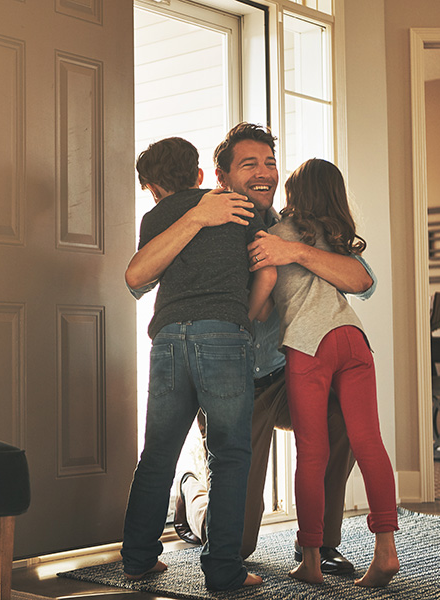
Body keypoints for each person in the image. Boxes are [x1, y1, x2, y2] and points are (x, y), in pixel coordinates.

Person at [127, 123, 376, 574]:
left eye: (269, 163)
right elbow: (138, 282)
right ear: (219, 178)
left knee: (341, 416)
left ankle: (317, 543)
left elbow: (363, 281)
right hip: (236, 377)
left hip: (285, 375)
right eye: (249, 164)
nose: (264, 173)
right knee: (236, 537)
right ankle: (192, 493)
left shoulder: (294, 226)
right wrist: (200, 218)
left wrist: (293, 253)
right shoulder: (211, 217)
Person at [121, 137, 276, 591]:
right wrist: (239, 320)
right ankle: (223, 571)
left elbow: (141, 278)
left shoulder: (154, 218)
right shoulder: (239, 207)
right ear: (201, 175)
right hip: (224, 336)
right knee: (229, 455)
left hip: (168, 337)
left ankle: (137, 558)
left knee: (157, 455)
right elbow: (266, 270)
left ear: (151, 188)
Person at [270, 158, 399, 587]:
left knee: (312, 453)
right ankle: (386, 553)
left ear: (295, 194)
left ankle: (310, 560)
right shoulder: (336, 239)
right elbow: (361, 283)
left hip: (310, 344)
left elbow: (265, 292)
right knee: (369, 443)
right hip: (354, 339)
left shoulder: (277, 234)